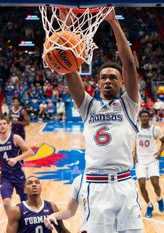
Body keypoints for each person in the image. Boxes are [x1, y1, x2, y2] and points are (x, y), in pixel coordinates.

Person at [62, 8, 143, 232]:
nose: (108, 80)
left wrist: (113, 22)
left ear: (122, 83)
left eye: (113, 77)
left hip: (124, 183)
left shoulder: (129, 105)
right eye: (103, 77)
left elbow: (128, 65)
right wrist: (66, 28)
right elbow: (69, 71)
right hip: (96, 186)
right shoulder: (88, 106)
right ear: (97, 83)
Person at [0, 114, 34, 213]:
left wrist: (16, 159)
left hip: (18, 174)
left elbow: (30, 152)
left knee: (25, 202)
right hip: (5, 176)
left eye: (4, 123)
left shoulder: (15, 138)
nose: (2, 126)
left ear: (8, 125)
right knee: (6, 203)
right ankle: (12, 222)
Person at [134, 110, 164, 218]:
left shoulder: (155, 129)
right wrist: (134, 153)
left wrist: (159, 152)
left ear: (149, 118)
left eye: (146, 116)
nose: (144, 118)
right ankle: (149, 205)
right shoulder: (136, 129)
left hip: (152, 159)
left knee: (155, 183)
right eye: (142, 116)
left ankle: (159, 198)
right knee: (142, 184)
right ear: (140, 118)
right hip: (140, 161)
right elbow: (135, 141)